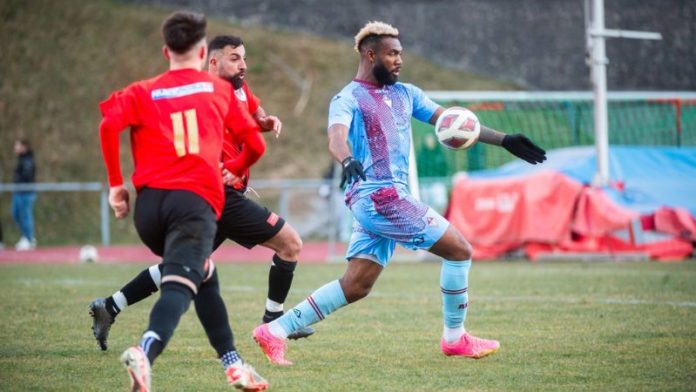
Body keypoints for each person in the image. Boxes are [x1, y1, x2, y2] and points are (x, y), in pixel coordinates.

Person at [252, 21, 547, 365]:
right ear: (370, 54)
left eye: (400, 53)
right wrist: (346, 159)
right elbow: (336, 136)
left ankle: (274, 331)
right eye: (392, 54)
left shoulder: (406, 94)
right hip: (381, 198)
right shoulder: (347, 98)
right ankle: (455, 337)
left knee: (356, 285)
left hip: (382, 200)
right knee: (460, 250)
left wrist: (504, 139)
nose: (399, 60)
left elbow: (451, 121)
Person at [89, 34, 313, 359]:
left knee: (183, 265)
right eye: (235, 58)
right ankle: (273, 320)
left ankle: (110, 305)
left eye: (244, 58)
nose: (243, 65)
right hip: (219, 194)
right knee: (290, 243)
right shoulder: (202, 94)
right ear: (212, 61)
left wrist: (265, 121)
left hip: (210, 197)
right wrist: (235, 165)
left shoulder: (235, 88)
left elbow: (252, 113)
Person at [98, 11, 268, 391]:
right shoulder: (218, 91)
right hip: (193, 204)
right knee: (180, 282)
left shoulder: (142, 90)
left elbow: (108, 124)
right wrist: (236, 166)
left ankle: (234, 365)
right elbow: (255, 142)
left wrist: (115, 186)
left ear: (165, 51)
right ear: (203, 50)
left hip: (149, 210)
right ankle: (145, 352)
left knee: (204, 272)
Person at [12, 138, 37, 251]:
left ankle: (29, 238)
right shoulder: (21, 159)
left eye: (17, 145)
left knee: (25, 215)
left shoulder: (28, 159)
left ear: (24, 147)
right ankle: (25, 237)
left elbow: (27, 175)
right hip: (18, 191)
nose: (15, 148)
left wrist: (18, 179)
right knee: (16, 214)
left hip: (26, 192)